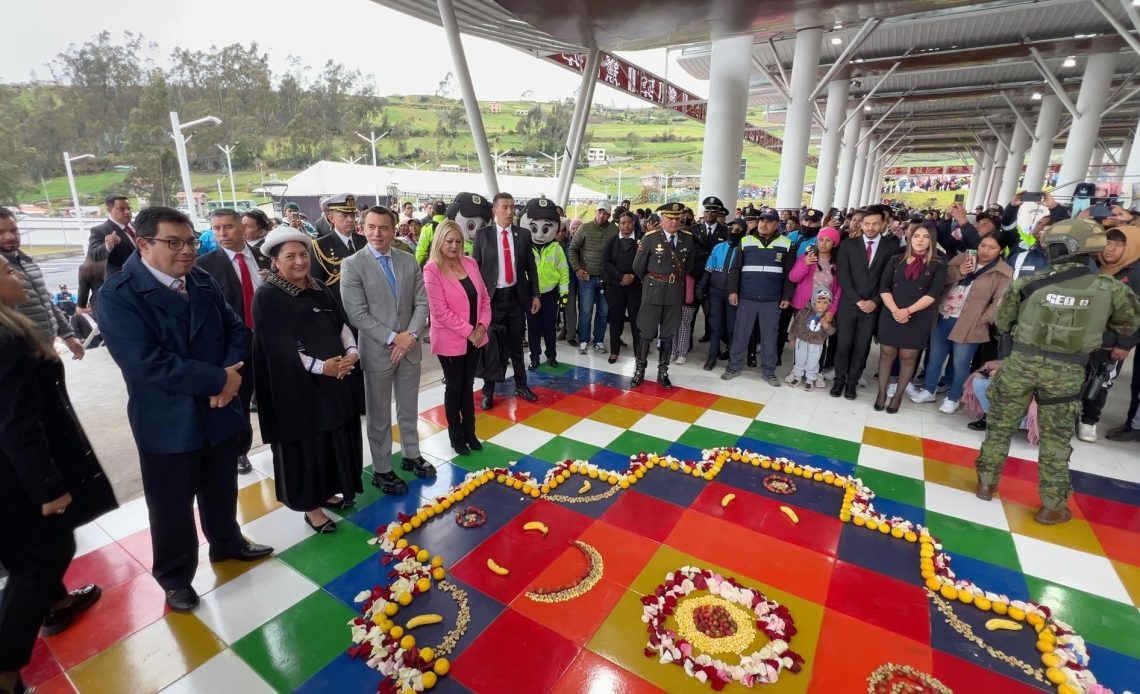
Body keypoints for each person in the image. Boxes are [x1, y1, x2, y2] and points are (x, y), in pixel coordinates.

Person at [98, 206, 273, 613]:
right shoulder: (119, 295)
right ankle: (175, 576)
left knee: (220, 487)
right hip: (167, 419)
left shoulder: (200, 279)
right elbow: (146, 363)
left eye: (191, 241)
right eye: (174, 243)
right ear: (143, 244)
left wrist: (228, 379)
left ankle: (227, 542)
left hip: (219, 407)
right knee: (171, 505)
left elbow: (235, 329)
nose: (187, 251)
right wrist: (217, 379)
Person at [0, 254, 117, 694]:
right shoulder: (6, 340)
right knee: (43, 553)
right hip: (18, 472)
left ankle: (57, 602)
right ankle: (6, 668)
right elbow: (17, 423)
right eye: (6, 273)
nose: (16, 276)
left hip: (11, 469)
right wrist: (49, 489)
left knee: (18, 549)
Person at [974, 219, 1140, 525]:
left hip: (1021, 366)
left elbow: (1003, 322)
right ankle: (1052, 505)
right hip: (1067, 372)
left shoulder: (1028, 283)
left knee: (999, 428)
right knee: (1056, 439)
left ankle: (986, 484)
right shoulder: (1109, 288)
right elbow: (1129, 325)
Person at [251, 226, 367, 532]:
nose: (299, 262)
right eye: (290, 256)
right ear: (275, 261)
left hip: (334, 381)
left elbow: (338, 322)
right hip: (297, 389)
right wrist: (321, 367)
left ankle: (328, 491)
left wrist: (352, 352)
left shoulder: (317, 285)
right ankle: (311, 508)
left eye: (303, 254)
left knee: (332, 441)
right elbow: (278, 348)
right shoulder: (268, 296)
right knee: (307, 448)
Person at [341, 205, 435, 492]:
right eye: (371, 227)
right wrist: (395, 337)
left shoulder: (408, 261)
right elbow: (356, 314)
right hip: (379, 350)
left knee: (408, 407)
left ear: (395, 230)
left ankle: (411, 454)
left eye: (383, 227)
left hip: (409, 348)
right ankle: (382, 469)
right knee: (379, 413)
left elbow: (422, 302)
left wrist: (411, 335)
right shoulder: (353, 265)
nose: (377, 233)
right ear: (363, 228)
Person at [196, 209, 272, 475]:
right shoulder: (204, 265)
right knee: (239, 398)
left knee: (273, 394)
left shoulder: (264, 256)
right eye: (216, 228)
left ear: (243, 227)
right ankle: (240, 450)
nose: (221, 234)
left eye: (227, 227)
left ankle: (280, 439)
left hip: (269, 339)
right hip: (235, 345)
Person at [912, 235, 1012, 414]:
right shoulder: (961, 258)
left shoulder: (1003, 272)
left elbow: (999, 301)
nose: (985, 250)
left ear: (1001, 251)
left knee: (961, 363)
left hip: (971, 322)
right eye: (983, 245)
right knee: (935, 358)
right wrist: (960, 271)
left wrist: (983, 320)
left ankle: (953, 398)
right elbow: (942, 279)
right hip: (944, 315)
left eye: (992, 247)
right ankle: (929, 390)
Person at [424, 221, 491, 455]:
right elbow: (439, 311)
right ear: (440, 241)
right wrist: (469, 331)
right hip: (450, 340)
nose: (454, 246)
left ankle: (470, 432)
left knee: (469, 385)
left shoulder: (471, 263)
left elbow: (484, 299)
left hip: (475, 338)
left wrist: (481, 327)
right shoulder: (432, 269)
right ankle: (456, 436)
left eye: (458, 241)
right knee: (455, 388)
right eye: (449, 241)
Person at [472, 193, 540, 409]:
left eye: (512, 207)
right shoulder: (482, 236)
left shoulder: (523, 234)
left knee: (517, 346)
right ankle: (488, 391)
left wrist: (535, 294)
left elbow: (531, 268)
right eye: (505, 207)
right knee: (491, 347)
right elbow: (475, 269)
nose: (510, 212)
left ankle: (521, 385)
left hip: (516, 299)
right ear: (495, 209)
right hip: (491, 301)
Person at [831, 205, 901, 400]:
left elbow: (890, 280)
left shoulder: (892, 247)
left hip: (873, 307)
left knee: (862, 347)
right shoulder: (848, 245)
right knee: (843, 345)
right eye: (867, 224)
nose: (870, 228)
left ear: (883, 224)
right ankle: (838, 381)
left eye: (875, 224)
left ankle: (852, 383)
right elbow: (843, 276)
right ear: (861, 224)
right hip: (849, 304)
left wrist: (875, 301)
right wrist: (858, 300)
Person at [1077, 225, 1140, 442]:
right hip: (1082, 338)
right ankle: (1069, 417)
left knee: (1101, 383)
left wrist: (1125, 344)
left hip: (1111, 343)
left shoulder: (1136, 274)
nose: (1110, 250)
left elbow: (1136, 315)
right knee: (1076, 378)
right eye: (1108, 243)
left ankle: (1089, 421)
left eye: (1118, 245)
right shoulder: (1094, 267)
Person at [875, 225, 947, 412]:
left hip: (918, 316)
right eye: (916, 235)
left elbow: (933, 293)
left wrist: (907, 311)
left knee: (908, 357)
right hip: (891, 312)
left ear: (931, 240)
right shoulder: (895, 260)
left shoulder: (938, 264)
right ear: (909, 237)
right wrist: (895, 310)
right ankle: (882, 392)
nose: (920, 240)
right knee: (886, 354)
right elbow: (884, 287)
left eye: (925, 236)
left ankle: (898, 396)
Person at [0, 209, 85, 361]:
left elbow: (46, 301)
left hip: (46, 349)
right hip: (17, 354)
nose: (10, 237)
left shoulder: (27, 261)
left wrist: (68, 335)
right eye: (1, 232)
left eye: (14, 230)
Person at [632, 202, 697, 388]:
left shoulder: (687, 239)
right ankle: (639, 370)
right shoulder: (650, 238)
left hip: (675, 291)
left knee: (668, 334)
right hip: (653, 291)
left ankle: (663, 371)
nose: (675, 223)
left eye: (678, 219)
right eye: (670, 219)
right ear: (662, 219)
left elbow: (689, 266)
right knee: (646, 332)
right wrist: (654, 281)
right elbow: (638, 266)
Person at [722, 209, 790, 386]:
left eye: (768, 221)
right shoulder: (745, 241)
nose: (763, 224)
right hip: (747, 297)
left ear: (777, 224)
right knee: (741, 333)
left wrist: (786, 296)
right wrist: (732, 291)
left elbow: (789, 274)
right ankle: (733, 366)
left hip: (771, 299)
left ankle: (769, 371)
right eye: (761, 221)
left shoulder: (786, 244)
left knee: (769, 336)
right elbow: (735, 269)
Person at [521, 198, 569, 369]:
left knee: (549, 327)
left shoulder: (556, 248)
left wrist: (563, 293)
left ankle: (551, 355)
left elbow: (564, 271)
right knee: (532, 328)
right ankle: (535, 357)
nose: (540, 234)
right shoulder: (525, 246)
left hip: (550, 294)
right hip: (531, 294)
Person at [569, 202, 617, 354]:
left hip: (606, 279)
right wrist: (577, 269)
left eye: (605, 213)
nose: (601, 215)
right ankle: (583, 340)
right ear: (595, 212)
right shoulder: (584, 228)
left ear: (609, 215)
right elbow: (572, 249)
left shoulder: (614, 230)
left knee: (603, 312)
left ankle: (599, 341)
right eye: (599, 212)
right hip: (587, 278)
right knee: (585, 311)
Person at [697, 217, 744, 371]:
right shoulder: (718, 247)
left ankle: (732, 357)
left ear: (743, 232)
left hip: (734, 294)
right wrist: (701, 287)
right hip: (715, 292)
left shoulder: (745, 250)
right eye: (730, 229)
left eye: (737, 230)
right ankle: (712, 356)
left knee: (731, 327)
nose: (733, 232)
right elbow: (709, 269)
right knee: (715, 326)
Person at [310, 194, 367, 312]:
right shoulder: (319, 246)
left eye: (353, 215)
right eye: (344, 215)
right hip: (340, 311)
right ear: (331, 218)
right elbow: (316, 286)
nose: (351, 219)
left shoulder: (365, 241)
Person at [603, 210, 642, 364]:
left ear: (633, 224)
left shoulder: (641, 241)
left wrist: (633, 276)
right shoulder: (612, 241)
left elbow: (645, 262)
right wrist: (621, 277)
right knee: (616, 319)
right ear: (619, 225)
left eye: (629, 222)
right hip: (616, 286)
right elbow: (606, 263)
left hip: (635, 286)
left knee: (636, 320)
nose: (626, 225)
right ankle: (614, 351)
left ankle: (639, 352)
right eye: (623, 223)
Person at [785, 288, 836, 390]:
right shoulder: (804, 312)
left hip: (817, 344)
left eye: (825, 302)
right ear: (813, 301)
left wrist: (826, 325)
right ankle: (798, 376)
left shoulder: (828, 317)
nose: (821, 305)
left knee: (813, 362)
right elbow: (795, 325)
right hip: (802, 341)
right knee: (800, 359)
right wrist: (792, 337)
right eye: (819, 302)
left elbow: (832, 332)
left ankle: (810, 379)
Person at [86, 194, 136, 280]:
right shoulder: (100, 230)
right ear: (109, 210)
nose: (127, 212)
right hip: (123, 283)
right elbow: (94, 255)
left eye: (129, 208)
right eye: (122, 209)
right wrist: (107, 246)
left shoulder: (137, 226)